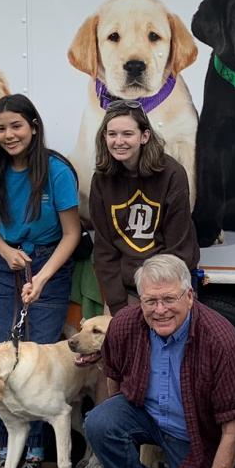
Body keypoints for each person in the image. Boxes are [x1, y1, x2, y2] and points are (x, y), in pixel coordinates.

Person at [83, 254, 235, 468]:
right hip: (146, 415)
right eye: (150, 301)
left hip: (195, 436)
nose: (159, 310)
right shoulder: (125, 324)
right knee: (100, 421)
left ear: (189, 296)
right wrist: (121, 420)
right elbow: (113, 375)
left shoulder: (220, 339)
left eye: (168, 299)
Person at [0, 93, 82, 468]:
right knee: (2, 363)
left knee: (37, 368)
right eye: (1, 128)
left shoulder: (56, 170)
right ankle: (5, 459)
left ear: (33, 126)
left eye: (16, 125)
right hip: (6, 268)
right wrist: (6, 251)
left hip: (50, 267)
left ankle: (32, 459)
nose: (9, 134)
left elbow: (72, 233)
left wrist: (44, 275)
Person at [89, 101, 198, 314]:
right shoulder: (101, 180)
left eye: (127, 134)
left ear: (144, 136)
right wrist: (118, 305)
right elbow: (104, 249)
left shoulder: (172, 174)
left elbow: (178, 247)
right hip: (124, 290)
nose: (119, 141)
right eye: (112, 134)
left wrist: (158, 301)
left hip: (168, 288)